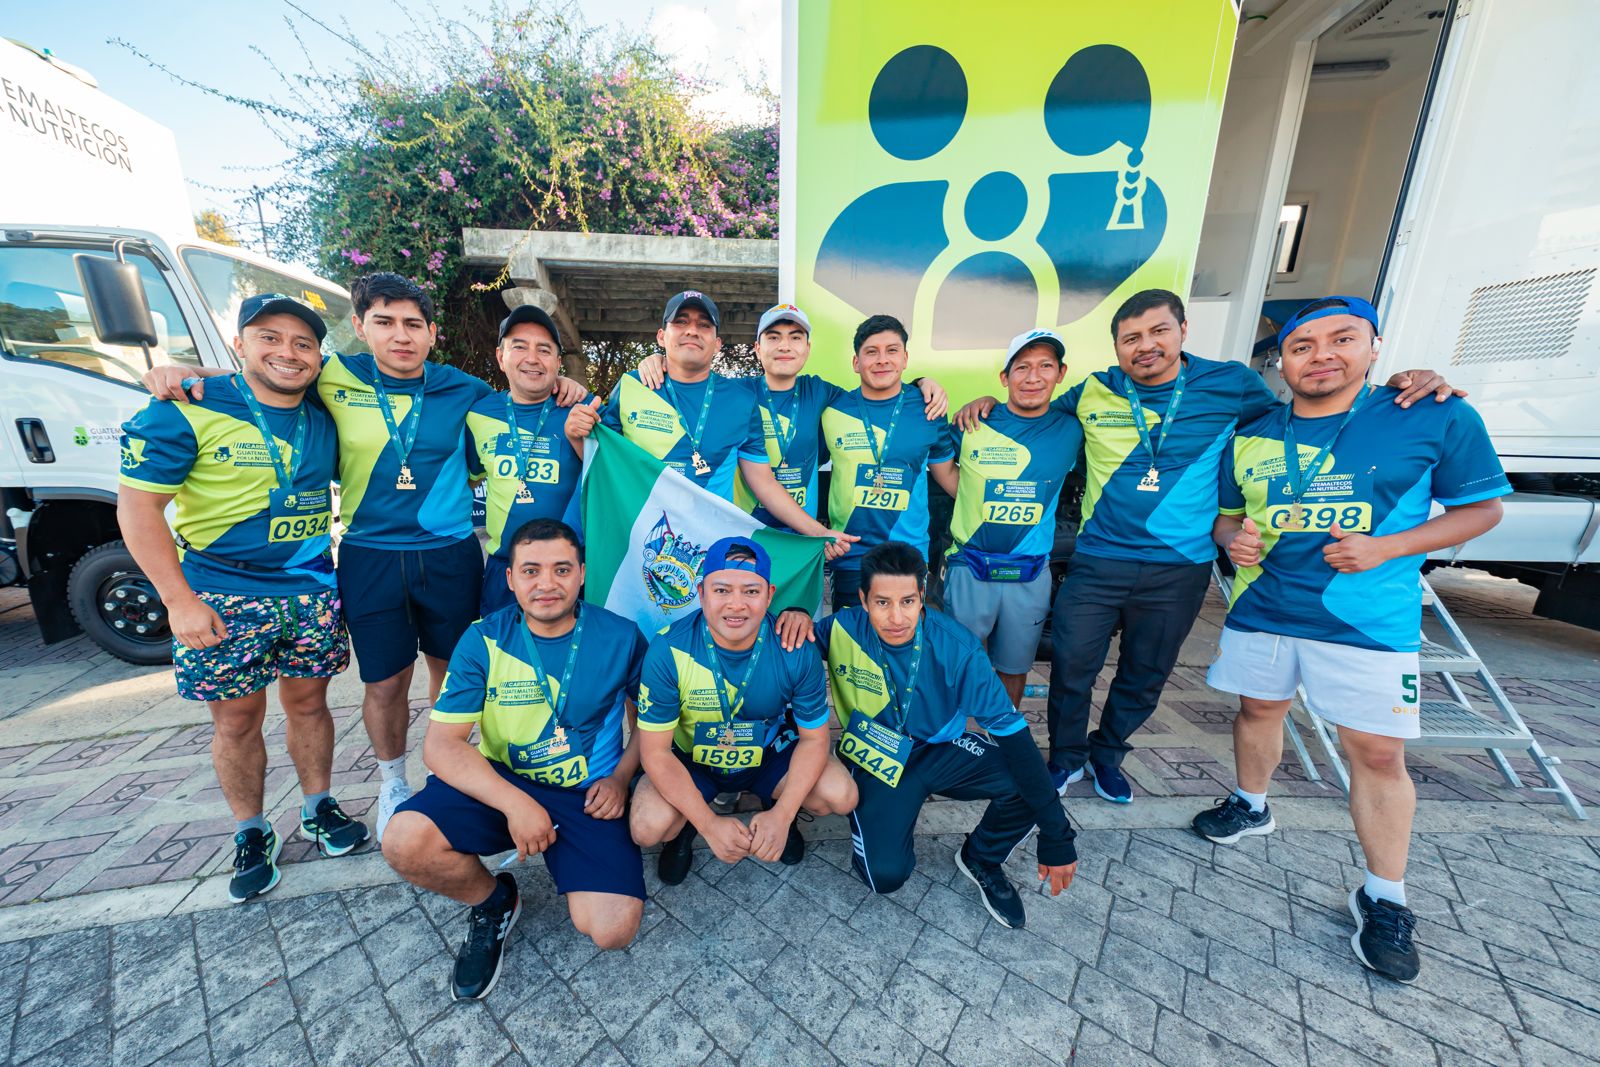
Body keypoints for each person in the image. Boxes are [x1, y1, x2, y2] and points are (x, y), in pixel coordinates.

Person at [956, 289, 1460, 804]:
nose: (1145, 346)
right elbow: (1028, 409)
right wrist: (986, 401)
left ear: (1183, 332)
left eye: (1158, 332)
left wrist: (1406, 382)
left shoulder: (1232, 384)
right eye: (1131, 338)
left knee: (1145, 673)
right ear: (1116, 347)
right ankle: (1065, 759)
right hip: (1099, 558)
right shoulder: (1092, 391)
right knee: (1071, 664)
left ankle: (1107, 756)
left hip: (1179, 567)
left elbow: (1308, 412)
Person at [143, 273, 585, 840]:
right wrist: (183, 373)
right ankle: (392, 781)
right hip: (368, 555)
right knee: (385, 683)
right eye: (384, 322)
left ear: (431, 334)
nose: (399, 336)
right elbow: (267, 373)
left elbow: (529, 390)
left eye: (412, 325)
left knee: (456, 677)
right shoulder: (334, 374)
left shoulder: (465, 389)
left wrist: (568, 384)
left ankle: (455, 776)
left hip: (449, 555)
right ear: (358, 328)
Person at [1192, 296, 1507, 984]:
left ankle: (1384, 895)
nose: (1321, 355)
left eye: (1341, 339)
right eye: (1303, 346)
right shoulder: (1252, 431)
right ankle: (1250, 804)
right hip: (1265, 607)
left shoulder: (1431, 413)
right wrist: (1233, 539)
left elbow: (1482, 510)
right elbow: (1227, 521)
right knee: (1257, 712)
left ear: (1374, 346)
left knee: (1376, 752)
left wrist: (1390, 546)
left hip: (1364, 620)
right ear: (1284, 363)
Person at [119, 294, 367, 904]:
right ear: (239, 344)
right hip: (222, 594)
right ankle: (251, 832)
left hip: (310, 589)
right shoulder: (182, 412)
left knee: (310, 706)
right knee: (236, 720)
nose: (288, 352)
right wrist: (177, 600)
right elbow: (138, 508)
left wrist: (191, 370)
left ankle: (318, 807)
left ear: (317, 355)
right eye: (269, 337)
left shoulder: (324, 411)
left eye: (303, 343)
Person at [381, 519, 649, 1000]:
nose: (546, 584)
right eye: (531, 571)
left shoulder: (622, 636)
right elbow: (442, 746)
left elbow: (646, 726)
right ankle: (494, 900)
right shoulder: (483, 638)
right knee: (403, 841)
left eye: (561, 569)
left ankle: (568, 853)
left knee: (613, 930)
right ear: (510, 579)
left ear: (582, 573)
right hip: (503, 781)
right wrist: (516, 804)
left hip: (587, 793)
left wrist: (622, 778)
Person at [777, 542, 1077, 929]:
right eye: (883, 602)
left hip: (943, 748)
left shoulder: (958, 646)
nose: (897, 617)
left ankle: (981, 857)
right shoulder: (839, 628)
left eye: (907, 601)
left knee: (1029, 783)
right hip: (874, 752)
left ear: (922, 597)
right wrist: (795, 613)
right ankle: (880, 813)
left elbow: (1016, 739)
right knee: (884, 876)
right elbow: (779, 652)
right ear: (863, 600)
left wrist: (1058, 835)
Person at [629, 536, 858, 885]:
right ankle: (686, 828)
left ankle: (776, 810)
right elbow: (655, 753)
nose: (736, 605)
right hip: (694, 759)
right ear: (701, 591)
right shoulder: (668, 649)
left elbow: (815, 740)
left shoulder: (795, 648)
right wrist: (709, 825)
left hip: (767, 754)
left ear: (769, 594)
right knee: (647, 827)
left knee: (840, 795)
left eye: (751, 592)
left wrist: (783, 815)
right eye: (722, 590)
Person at [565, 292, 854, 556]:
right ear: (662, 336)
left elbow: (762, 480)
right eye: (681, 322)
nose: (692, 330)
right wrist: (574, 427)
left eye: (704, 325)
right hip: (639, 541)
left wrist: (819, 532)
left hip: (710, 550)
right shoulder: (633, 385)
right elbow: (602, 464)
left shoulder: (742, 399)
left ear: (717, 343)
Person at [633, 302, 949, 530]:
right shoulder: (731, 395)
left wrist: (921, 383)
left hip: (799, 536)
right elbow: (688, 384)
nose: (785, 346)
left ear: (807, 349)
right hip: (744, 531)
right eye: (773, 337)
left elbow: (878, 394)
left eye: (795, 337)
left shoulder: (823, 394)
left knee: (796, 621)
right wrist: (659, 360)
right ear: (757, 348)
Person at [932, 329, 1081, 708]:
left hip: (1029, 572)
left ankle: (1001, 744)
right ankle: (955, 747)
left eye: (1045, 366)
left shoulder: (1073, 427)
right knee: (957, 664)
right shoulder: (972, 422)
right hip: (970, 567)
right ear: (1004, 378)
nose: (1033, 377)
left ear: (1061, 373)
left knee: (1013, 668)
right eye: (1022, 367)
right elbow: (944, 470)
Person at [822, 315, 958, 610]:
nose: (882, 360)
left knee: (903, 650)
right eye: (872, 352)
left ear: (905, 358)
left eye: (892, 350)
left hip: (908, 557)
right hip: (849, 555)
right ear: (856, 362)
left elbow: (949, 476)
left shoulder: (929, 408)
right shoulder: (832, 409)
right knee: (849, 647)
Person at [467, 305, 588, 615]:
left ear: (558, 363)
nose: (532, 358)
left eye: (544, 350)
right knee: (504, 659)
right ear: (500, 356)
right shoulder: (478, 414)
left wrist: (578, 439)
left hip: (568, 570)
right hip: (504, 569)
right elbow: (470, 477)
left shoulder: (580, 408)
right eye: (519, 346)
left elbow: (609, 479)